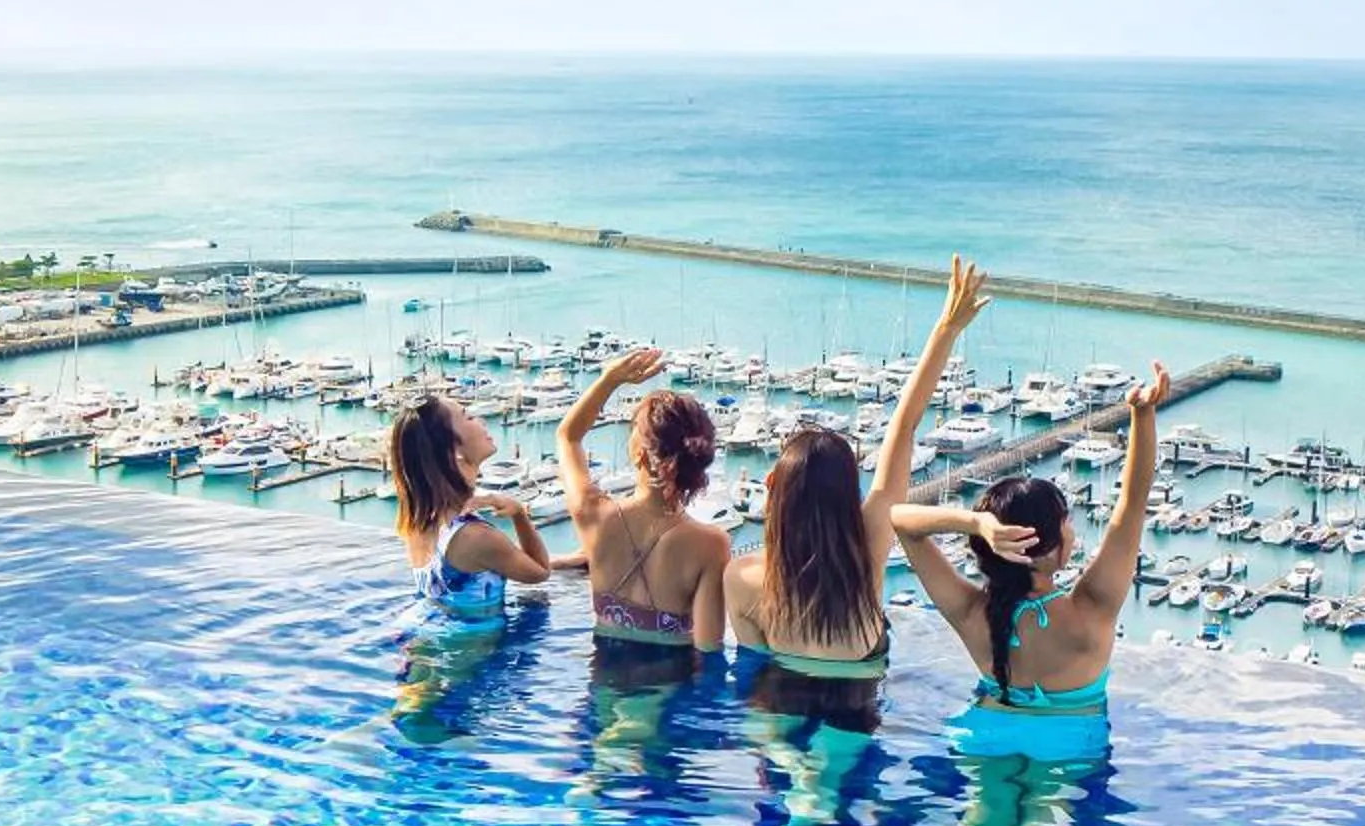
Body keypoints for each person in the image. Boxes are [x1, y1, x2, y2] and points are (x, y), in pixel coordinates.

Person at [722, 256, 1017, 731]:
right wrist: (945, 329)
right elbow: (905, 425)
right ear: (847, 492)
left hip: (781, 710)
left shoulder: (743, 578)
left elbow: (752, 674)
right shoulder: (869, 543)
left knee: (795, 764)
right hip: (857, 709)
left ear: (771, 487)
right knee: (833, 772)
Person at [898, 361, 1171, 764]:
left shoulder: (973, 614)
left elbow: (901, 522)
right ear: (1047, 548)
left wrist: (975, 522)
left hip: (983, 738)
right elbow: (1131, 505)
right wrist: (1142, 414)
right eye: (1066, 523)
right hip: (1067, 750)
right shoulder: (1091, 609)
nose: (1072, 532)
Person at [557, 345, 730, 661]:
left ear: (639, 454)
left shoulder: (592, 514)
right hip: (668, 685)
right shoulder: (711, 544)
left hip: (603, 678)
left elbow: (568, 437)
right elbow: (708, 648)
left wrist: (609, 379)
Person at [385, 390, 552, 622]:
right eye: (468, 417)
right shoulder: (476, 536)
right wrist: (519, 513)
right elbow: (540, 571)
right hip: (475, 654)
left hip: (431, 634)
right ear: (454, 453)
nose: (481, 421)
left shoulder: (418, 520)